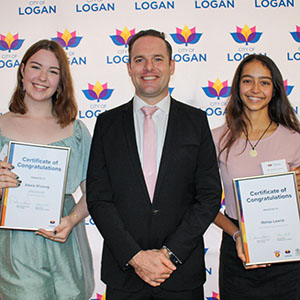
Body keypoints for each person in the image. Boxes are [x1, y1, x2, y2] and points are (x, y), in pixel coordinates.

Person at [86, 29, 221, 300]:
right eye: (140, 60)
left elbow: (208, 197)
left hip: (180, 274)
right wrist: (135, 257)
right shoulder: (107, 124)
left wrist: (169, 255)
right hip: (124, 276)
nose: (149, 67)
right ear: (129, 67)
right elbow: (99, 198)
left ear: (171, 66)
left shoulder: (195, 122)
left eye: (158, 59)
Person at [0, 40, 94, 299]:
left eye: (53, 71)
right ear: (21, 70)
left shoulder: (77, 131)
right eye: (36, 67)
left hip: (65, 243)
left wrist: (72, 220)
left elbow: (94, 192)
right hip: (13, 251)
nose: (42, 78)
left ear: (61, 80)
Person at [212, 54, 300, 300]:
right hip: (235, 246)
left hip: (286, 252)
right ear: (238, 86)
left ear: (275, 89)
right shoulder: (216, 139)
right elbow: (203, 202)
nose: (255, 89)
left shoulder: (295, 140)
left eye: (264, 82)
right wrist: (237, 235)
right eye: (248, 81)